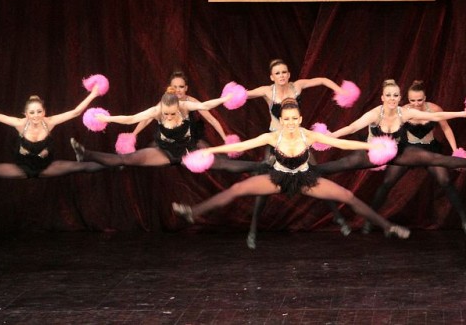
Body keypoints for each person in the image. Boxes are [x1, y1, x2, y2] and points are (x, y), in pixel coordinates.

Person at [172, 99, 410, 239]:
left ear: (300, 118)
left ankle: (388, 227)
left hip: (305, 179)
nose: (290, 123)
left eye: (294, 119)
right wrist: (211, 151)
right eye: (286, 119)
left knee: (347, 196)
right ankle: (192, 212)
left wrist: (371, 146)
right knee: (236, 189)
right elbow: (243, 145)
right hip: (278, 178)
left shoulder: (308, 135)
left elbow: (342, 144)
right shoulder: (272, 137)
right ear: (281, 120)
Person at [244, 59, 353, 248]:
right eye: (277, 73)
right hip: (276, 140)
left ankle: (338, 217)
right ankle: (252, 230)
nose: (281, 76)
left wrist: (341, 91)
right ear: (272, 77)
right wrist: (225, 99)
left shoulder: (297, 86)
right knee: (265, 183)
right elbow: (243, 95)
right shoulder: (267, 91)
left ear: (289, 74)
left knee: (316, 176)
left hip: (297, 140)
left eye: (284, 72)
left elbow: (322, 80)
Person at [314, 79, 466, 178]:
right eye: (389, 95)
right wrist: (327, 137)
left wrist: (463, 113)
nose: (392, 98)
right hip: (374, 152)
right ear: (383, 98)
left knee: (436, 159)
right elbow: (352, 127)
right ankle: (305, 172)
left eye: (396, 95)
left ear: (399, 97)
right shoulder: (375, 113)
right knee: (344, 164)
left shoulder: (405, 112)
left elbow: (435, 116)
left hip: (398, 152)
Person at [359, 80, 466, 236]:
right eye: (412, 100)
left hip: (430, 149)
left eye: (419, 100)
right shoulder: (403, 111)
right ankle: (369, 220)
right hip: (408, 151)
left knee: (446, 181)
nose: (416, 103)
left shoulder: (434, 109)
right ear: (408, 99)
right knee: (387, 182)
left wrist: (455, 151)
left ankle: (465, 220)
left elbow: (446, 129)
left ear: (425, 98)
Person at [71, 88, 262, 174]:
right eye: (166, 113)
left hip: (189, 150)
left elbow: (205, 105)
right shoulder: (156, 111)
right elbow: (130, 118)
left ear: (178, 107)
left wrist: (225, 98)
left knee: (223, 165)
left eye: (172, 113)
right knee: (126, 159)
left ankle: (261, 166)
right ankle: (85, 153)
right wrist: (107, 119)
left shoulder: (185, 106)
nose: (169, 116)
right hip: (165, 151)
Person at [0, 86, 107, 179]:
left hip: (45, 167)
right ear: (25, 114)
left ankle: (116, 164)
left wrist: (93, 93)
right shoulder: (20, 124)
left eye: (39, 112)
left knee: (81, 167)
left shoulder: (49, 122)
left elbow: (75, 112)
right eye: (32, 112)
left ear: (44, 112)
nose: (36, 116)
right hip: (22, 168)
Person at [130, 71, 230, 150]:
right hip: (169, 138)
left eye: (181, 87)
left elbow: (211, 119)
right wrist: (132, 136)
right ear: (170, 88)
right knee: (150, 150)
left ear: (186, 88)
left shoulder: (191, 101)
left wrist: (225, 139)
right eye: (175, 87)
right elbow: (147, 118)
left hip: (187, 139)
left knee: (206, 152)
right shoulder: (166, 101)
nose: (178, 90)